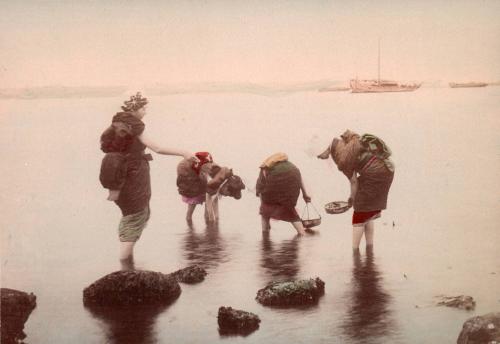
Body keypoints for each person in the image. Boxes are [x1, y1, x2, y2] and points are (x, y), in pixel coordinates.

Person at [99, 92, 195, 268]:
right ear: (135, 109)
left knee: (133, 215)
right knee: (136, 215)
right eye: (143, 108)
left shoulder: (118, 123)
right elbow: (157, 148)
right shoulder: (134, 125)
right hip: (133, 178)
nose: (146, 112)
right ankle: (125, 267)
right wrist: (184, 152)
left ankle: (127, 263)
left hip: (121, 179)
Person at [317, 130, 394, 250]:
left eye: (318, 154)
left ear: (325, 149)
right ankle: (369, 248)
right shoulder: (343, 143)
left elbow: (353, 182)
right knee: (368, 210)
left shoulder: (342, 158)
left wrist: (351, 199)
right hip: (385, 168)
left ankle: (355, 251)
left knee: (359, 210)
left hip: (376, 172)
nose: (318, 157)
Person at [256, 153, 311, 235]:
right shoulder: (292, 166)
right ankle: (302, 233)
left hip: (273, 190)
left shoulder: (265, 168)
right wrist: (305, 194)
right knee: (290, 210)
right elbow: (300, 179)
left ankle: (265, 233)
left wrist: (263, 203)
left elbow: (260, 189)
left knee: (265, 210)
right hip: (291, 190)